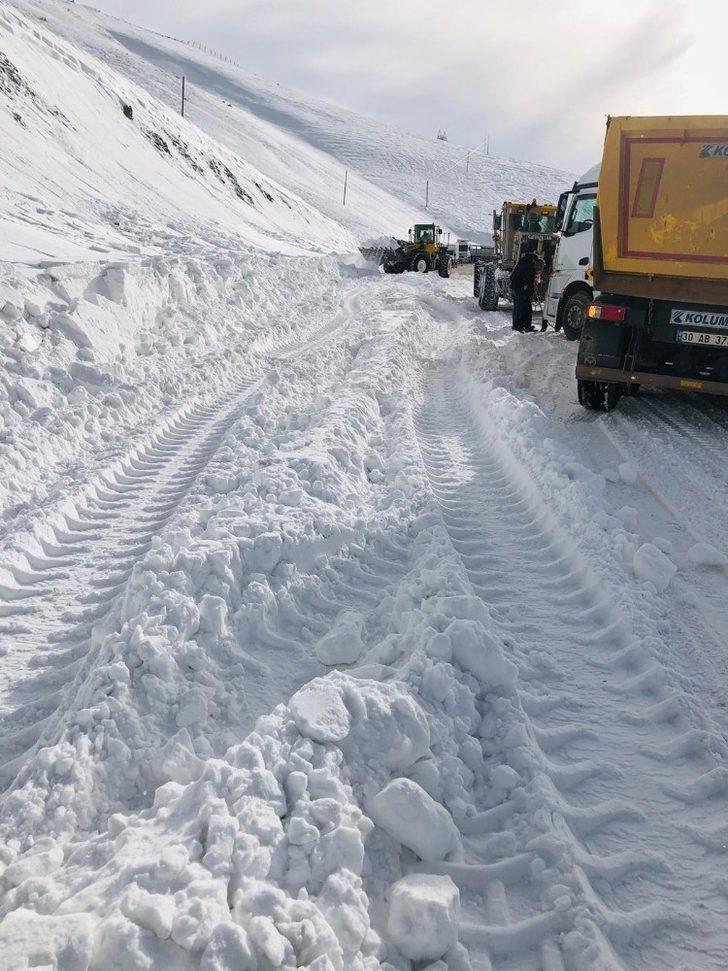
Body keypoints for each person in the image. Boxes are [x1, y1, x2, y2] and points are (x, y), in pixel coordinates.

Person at [509, 246, 543, 332]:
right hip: (518, 288)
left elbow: (530, 281)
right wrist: (526, 288)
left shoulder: (526, 263)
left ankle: (526, 326)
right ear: (536, 263)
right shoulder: (528, 266)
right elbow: (527, 279)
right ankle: (517, 326)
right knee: (519, 307)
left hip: (518, 287)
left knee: (527, 307)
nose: (538, 270)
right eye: (539, 267)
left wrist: (530, 289)